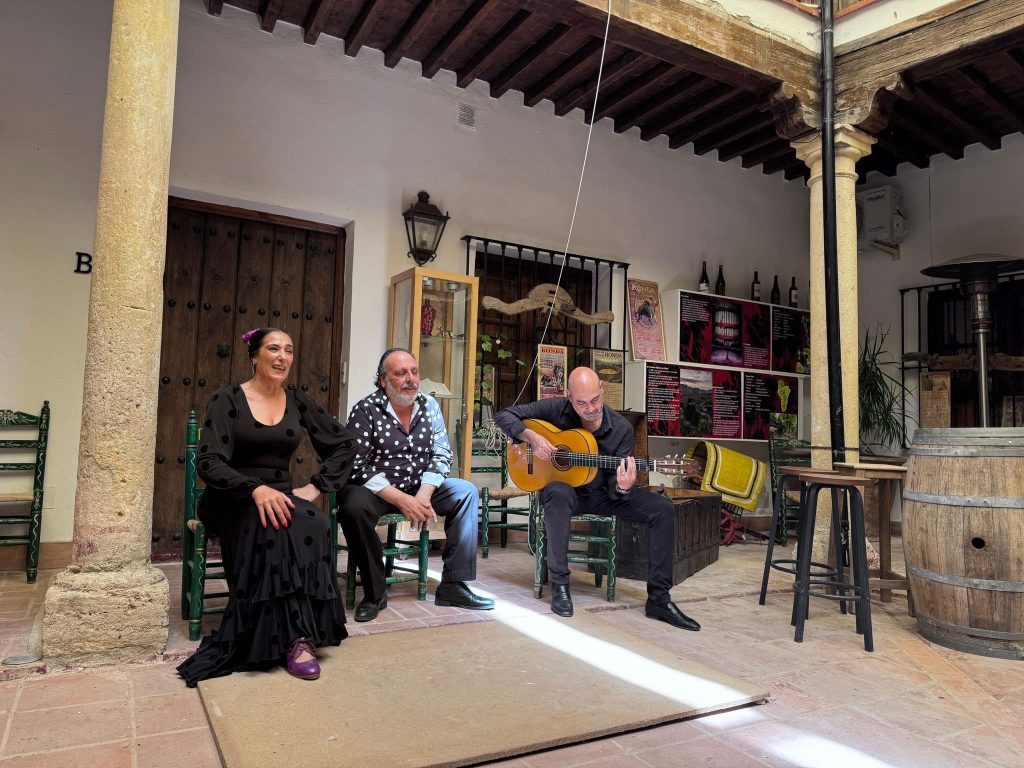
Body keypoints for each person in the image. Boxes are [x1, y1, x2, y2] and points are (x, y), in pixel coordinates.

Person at [177, 328, 358, 687]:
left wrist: (316, 486)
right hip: (231, 496)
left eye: (288, 350)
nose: (282, 357)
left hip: (280, 494)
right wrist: (254, 489)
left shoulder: (297, 399)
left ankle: (300, 629)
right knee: (274, 524)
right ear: (254, 356)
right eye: (274, 349)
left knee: (316, 523)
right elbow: (209, 462)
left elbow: (345, 443)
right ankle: (291, 640)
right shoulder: (228, 399)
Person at [494, 367, 701, 631]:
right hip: (568, 495)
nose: (590, 408)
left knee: (662, 508)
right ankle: (560, 586)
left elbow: (617, 486)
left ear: (602, 388)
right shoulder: (557, 409)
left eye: (595, 400)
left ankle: (659, 599)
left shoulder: (621, 429)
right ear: (570, 397)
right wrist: (532, 437)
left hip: (605, 495)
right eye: (581, 403)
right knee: (557, 491)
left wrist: (624, 487)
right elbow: (503, 415)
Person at [338, 348, 493, 621]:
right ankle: (375, 593)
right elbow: (356, 465)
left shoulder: (430, 406)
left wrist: (422, 495)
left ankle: (453, 585)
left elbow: (442, 454)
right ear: (383, 380)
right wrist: (402, 499)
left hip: (420, 487)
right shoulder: (365, 410)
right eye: (401, 373)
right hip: (379, 491)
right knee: (352, 505)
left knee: (465, 492)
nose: (410, 379)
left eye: (414, 372)